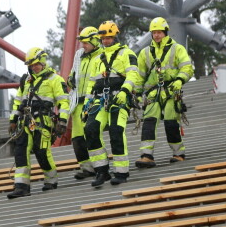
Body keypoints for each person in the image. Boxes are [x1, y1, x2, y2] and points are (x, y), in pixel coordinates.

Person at [84, 20, 141, 187]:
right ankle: (101, 170)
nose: (105, 41)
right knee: (91, 129)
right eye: (103, 38)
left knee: (116, 131)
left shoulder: (127, 53)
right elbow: (91, 83)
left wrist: (124, 92)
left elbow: (133, 75)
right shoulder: (97, 59)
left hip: (119, 98)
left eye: (109, 37)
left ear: (115, 36)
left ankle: (121, 172)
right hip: (100, 99)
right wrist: (87, 103)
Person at [7, 47, 69, 199]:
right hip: (25, 122)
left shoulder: (55, 79)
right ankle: (21, 186)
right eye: (31, 65)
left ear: (43, 62)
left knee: (41, 151)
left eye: (37, 64)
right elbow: (18, 101)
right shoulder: (26, 81)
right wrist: (13, 119)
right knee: (20, 152)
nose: (34, 67)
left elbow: (64, 102)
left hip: (43, 122)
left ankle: (51, 180)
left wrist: (62, 121)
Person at [135, 17, 193, 168]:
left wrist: (180, 80)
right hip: (153, 94)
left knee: (171, 122)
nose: (156, 35)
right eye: (154, 32)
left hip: (171, 91)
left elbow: (187, 68)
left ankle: (178, 153)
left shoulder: (177, 49)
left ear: (166, 32)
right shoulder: (145, 53)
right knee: (149, 122)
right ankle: (146, 156)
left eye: (159, 32)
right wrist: (135, 93)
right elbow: (139, 76)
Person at [67, 27, 103, 180]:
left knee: (92, 134)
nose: (83, 45)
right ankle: (87, 168)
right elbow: (73, 73)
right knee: (77, 139)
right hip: (78, 102)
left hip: (93, 101)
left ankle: (100, 166)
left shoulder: (102, 56)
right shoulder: (79, 56)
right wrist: (70, 78)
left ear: (95, 40)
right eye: (82, 42)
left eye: (86, 42)